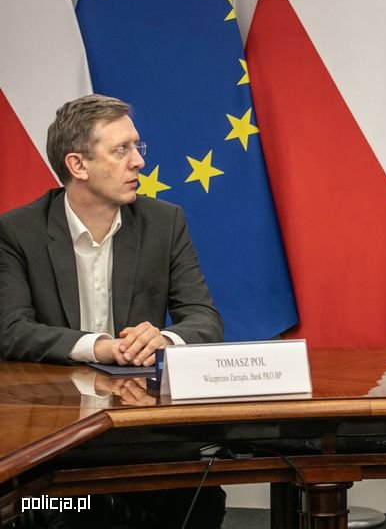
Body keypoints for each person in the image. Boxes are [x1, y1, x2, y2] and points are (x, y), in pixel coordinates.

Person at [0, 94, 224, 528]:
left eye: (137, 147)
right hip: (53, 434)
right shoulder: (17, 231)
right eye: (121, 150)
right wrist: (98, 346)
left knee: (200, 502)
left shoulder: (164, 223)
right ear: (78, 165)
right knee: (50, 512)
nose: (138, 161)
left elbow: (204, 318)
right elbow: (10, 330)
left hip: (142, 432)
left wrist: (164, 339)